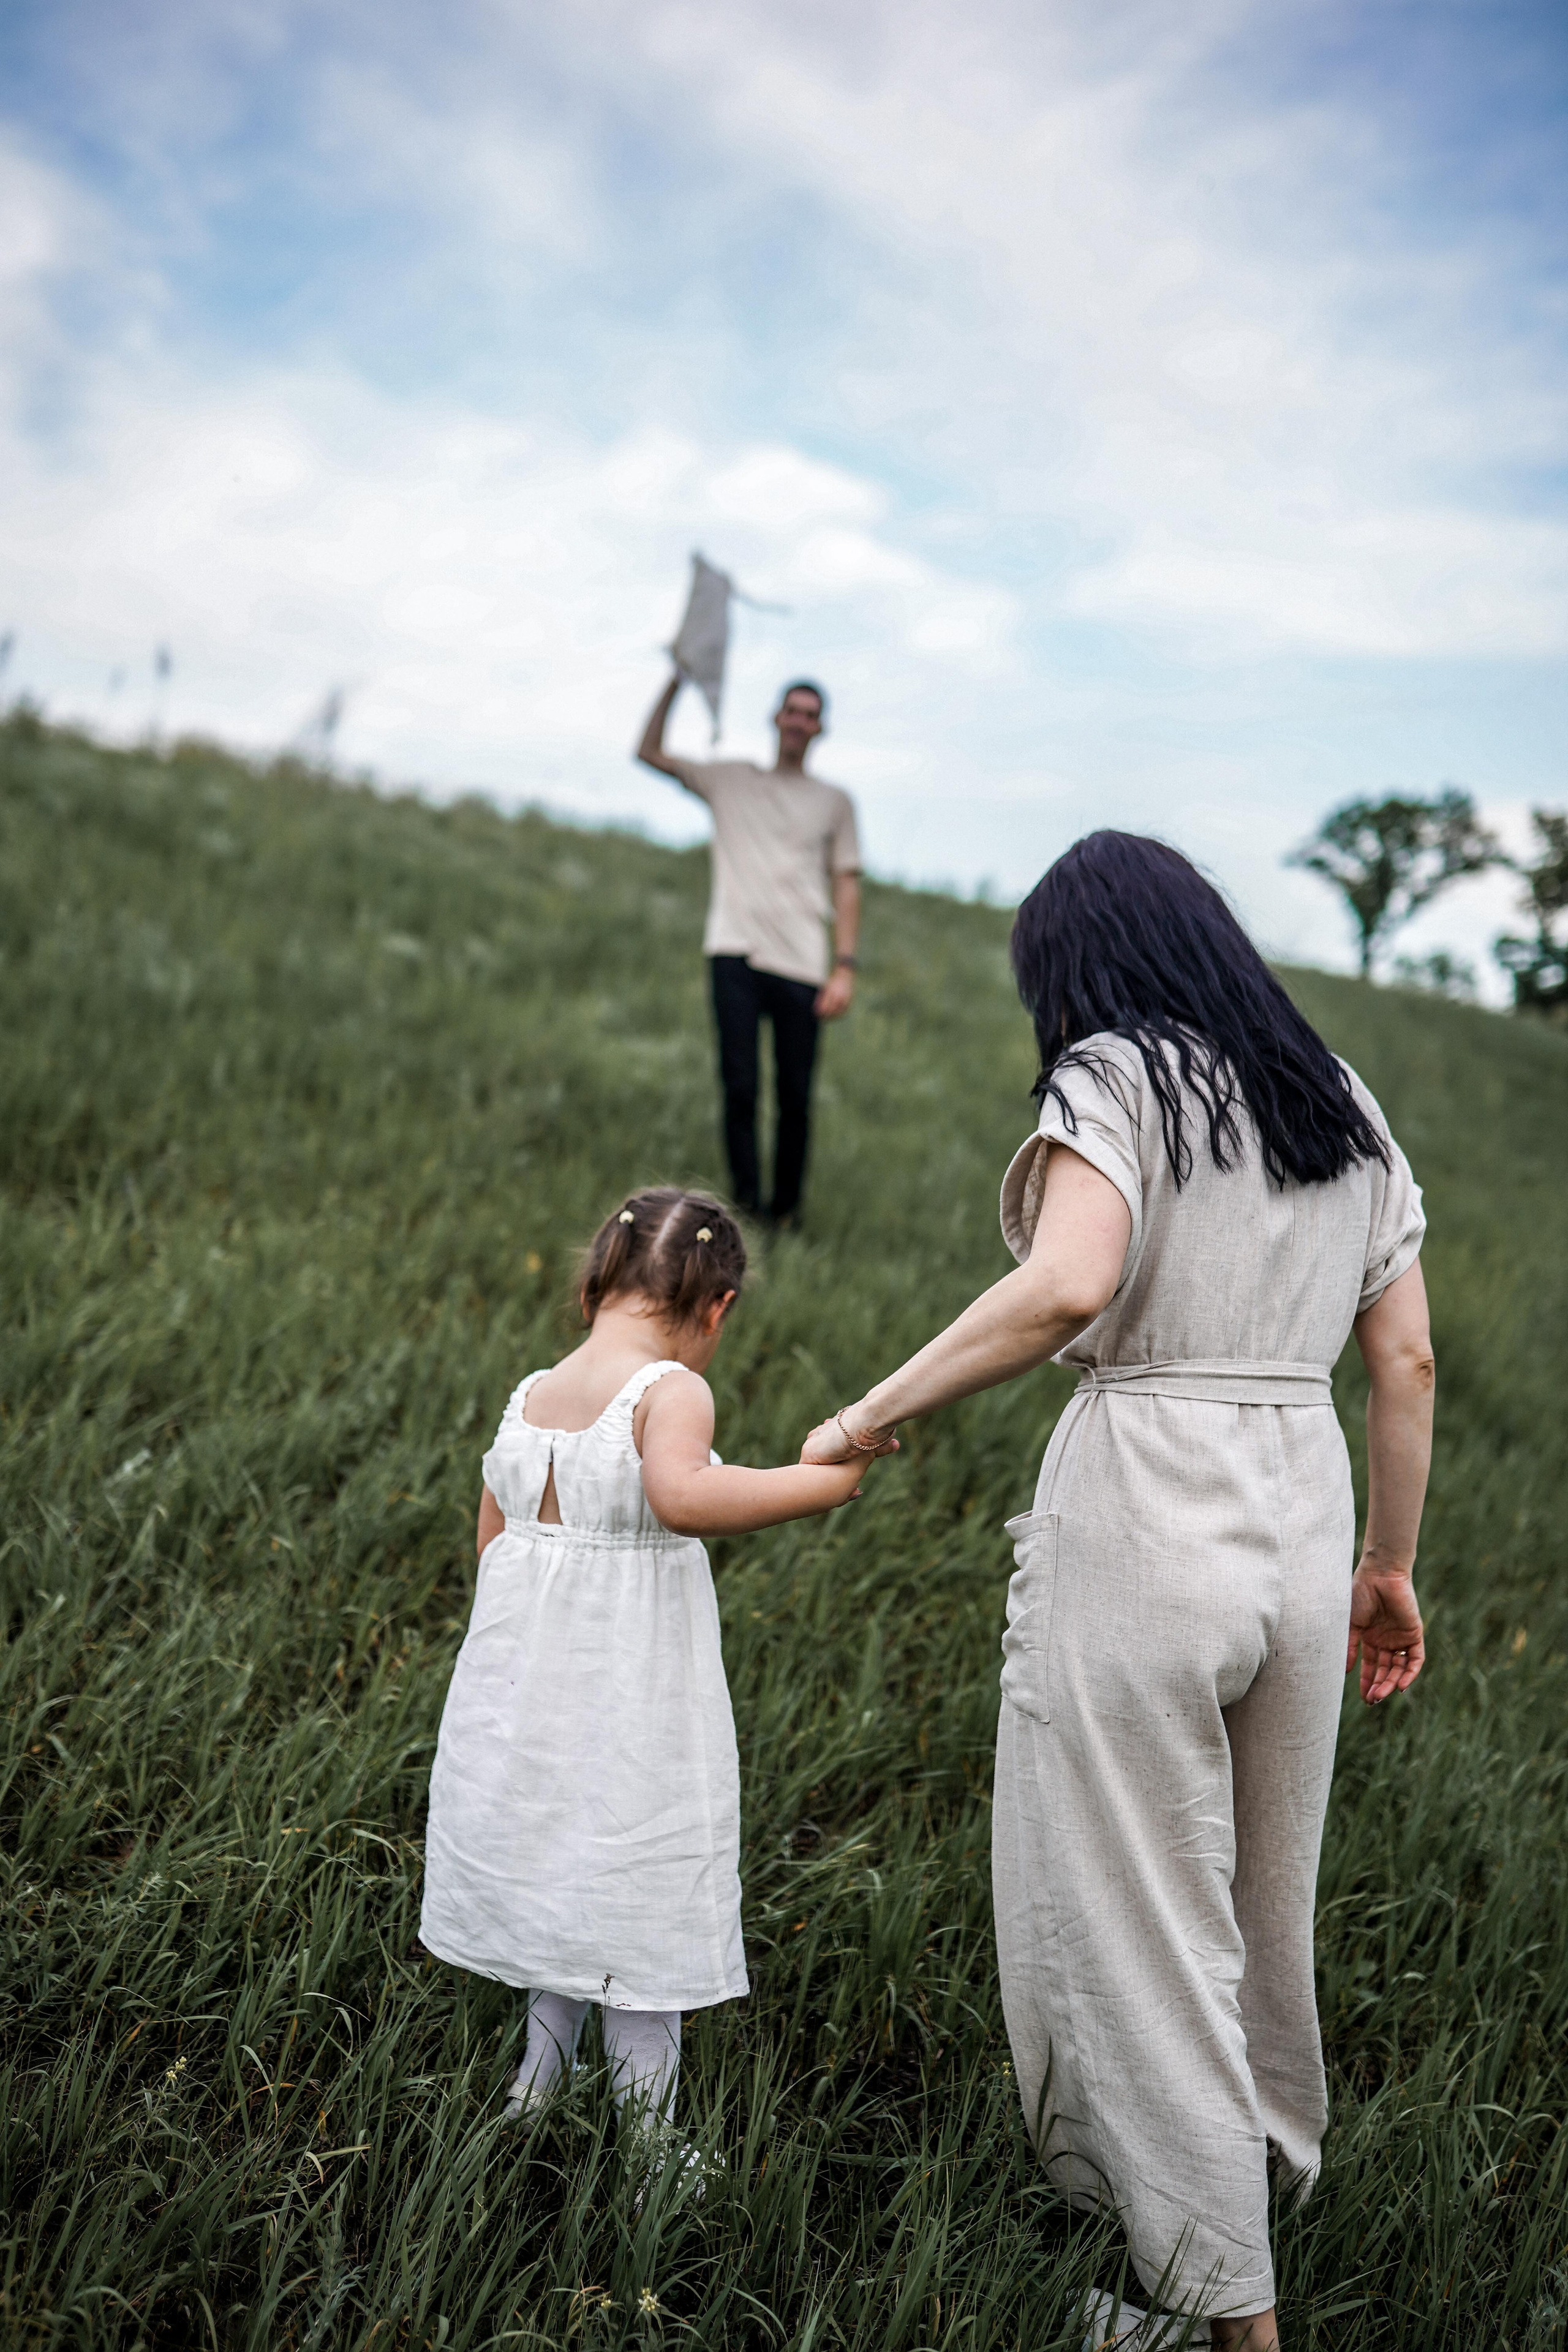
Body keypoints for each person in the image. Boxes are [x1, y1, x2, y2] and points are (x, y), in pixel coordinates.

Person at [802, 832, 1433, 2350]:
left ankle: (1224, 2310)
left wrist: (867, 1411)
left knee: (1140, 1924)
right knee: (1259, 1906)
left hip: (1145, 1501)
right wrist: (1386, 1567)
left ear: (1077, 965)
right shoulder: (1337, 1094)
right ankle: (1251, 2186)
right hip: (1301, 1511)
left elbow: (1069, 1283)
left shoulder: (1114, 1074)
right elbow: (1405, 1360)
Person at [418, 1188, 887, 2165]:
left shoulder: (533, 1393)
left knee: (560, 1870)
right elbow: (682, 1496)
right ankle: (650, 2148)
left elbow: (493, 1538)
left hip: (530, 1689)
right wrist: (824, 1485)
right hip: (630, 1690)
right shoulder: (671, 1391)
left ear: (597, 1281)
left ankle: (538, 2085)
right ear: (719, 1308)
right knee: (640, 1884)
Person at [636, 673, 862, 1225]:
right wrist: (680, 677)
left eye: (810, 714)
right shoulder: (731, 780)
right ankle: (745, 1209)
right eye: (792, 711)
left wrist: (844, 967)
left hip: (802, 960)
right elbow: (649, 751)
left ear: (820, 728)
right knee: (739, 1087)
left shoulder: (834, 802)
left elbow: (847, 882)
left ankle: (786, 1214)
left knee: (795, 1097)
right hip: (733, 950)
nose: (799, 722)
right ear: (776, 718)